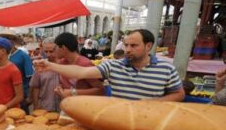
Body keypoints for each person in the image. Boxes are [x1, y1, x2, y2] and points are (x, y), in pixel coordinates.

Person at [34, 29, 185, 101]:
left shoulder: (166, 69)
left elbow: (179, 94)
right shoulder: (113, 66)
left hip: (149, 123)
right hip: (118, 122)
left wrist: (153, 104)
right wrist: (50, 65)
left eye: (133, 45)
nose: (127, 49)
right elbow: (81, 72)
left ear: (148, 46)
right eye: (126, 45)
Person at [54, 32, 104, 98]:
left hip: (84, 105)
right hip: (68, 104)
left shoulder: (85, 64)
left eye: (56, 47)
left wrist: (73, 92)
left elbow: (101, 90)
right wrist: (60, 87)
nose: (55, 50)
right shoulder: (62, 62)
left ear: (63, 48)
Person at [0, 37, 23, 108]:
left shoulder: (14, 70)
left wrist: (4, 107)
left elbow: (19, 96)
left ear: (3, 51)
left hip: (10, 111)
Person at [29, 37, 60, 112]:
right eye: (46, 51)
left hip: (63, 108)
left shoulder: (65, 65)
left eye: (51, 51)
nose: (48, 54)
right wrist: (36, 106)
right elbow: (36, 87)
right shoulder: (40, 65)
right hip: (45, 107)